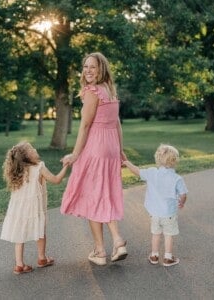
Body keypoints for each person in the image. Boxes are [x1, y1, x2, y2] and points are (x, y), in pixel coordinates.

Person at [60, 52, 128, 266]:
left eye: (93, 67)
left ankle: (100, 251)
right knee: (104, 193)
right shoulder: (110, 90)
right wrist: (120, 150)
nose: (88, 71)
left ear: (102, 69)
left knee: (92, 196)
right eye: (85, 67)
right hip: (110, 147)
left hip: (96, 147)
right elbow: (117, 124)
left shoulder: (92, 91)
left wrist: (76, 153)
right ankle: (118, 241)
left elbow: (86, 125)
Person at [0, 141, 68, 274]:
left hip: (18, 209)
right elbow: (56, 180)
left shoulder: (17, 171)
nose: (35, 149)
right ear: (27, 156)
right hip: (34, 208)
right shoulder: (39, 167)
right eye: (31, 149)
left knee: (19, 234)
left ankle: (19, 265)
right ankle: (42, 258)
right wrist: (66, 166)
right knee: (40, 230)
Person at [123, 144, 188, 267]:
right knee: (168, 234)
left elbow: (137, 171)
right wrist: (182, 202)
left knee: (156, 234)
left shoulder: (152, 172)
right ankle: (168, 258)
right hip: (169, 213)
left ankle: (154, 255)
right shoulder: (176, 178)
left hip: (154, 213)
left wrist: (127, 163)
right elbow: (183, 194)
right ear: (174, 161)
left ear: (157, 159)